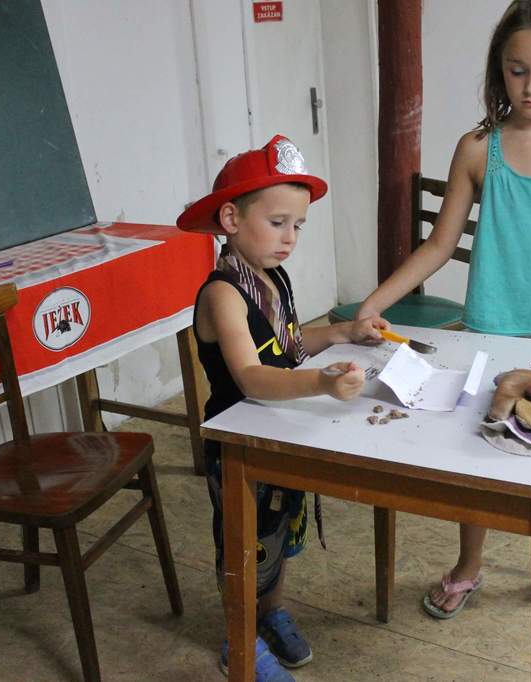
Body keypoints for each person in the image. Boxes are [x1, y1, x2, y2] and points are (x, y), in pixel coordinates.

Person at [356, 0, 531, 626]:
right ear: (498, 68)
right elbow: (439, 245)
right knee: (478, 458)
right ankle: (468, 565)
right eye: (516, 70)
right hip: (490, 335)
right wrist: (374, 302)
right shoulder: (479, 149)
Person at [177, 134, 389, 681]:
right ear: (230, 218)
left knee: (281, 533)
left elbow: (287, 346)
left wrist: (342, 332)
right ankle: (240, 641)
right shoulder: (224, 294)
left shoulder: (272, 277)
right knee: (244, 546)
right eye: (277, 223)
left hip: (281, 430)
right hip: (240, 444)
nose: (290, 238)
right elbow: (251, 376)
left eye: (298, 225)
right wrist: (320, 383)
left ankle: (270, 612)